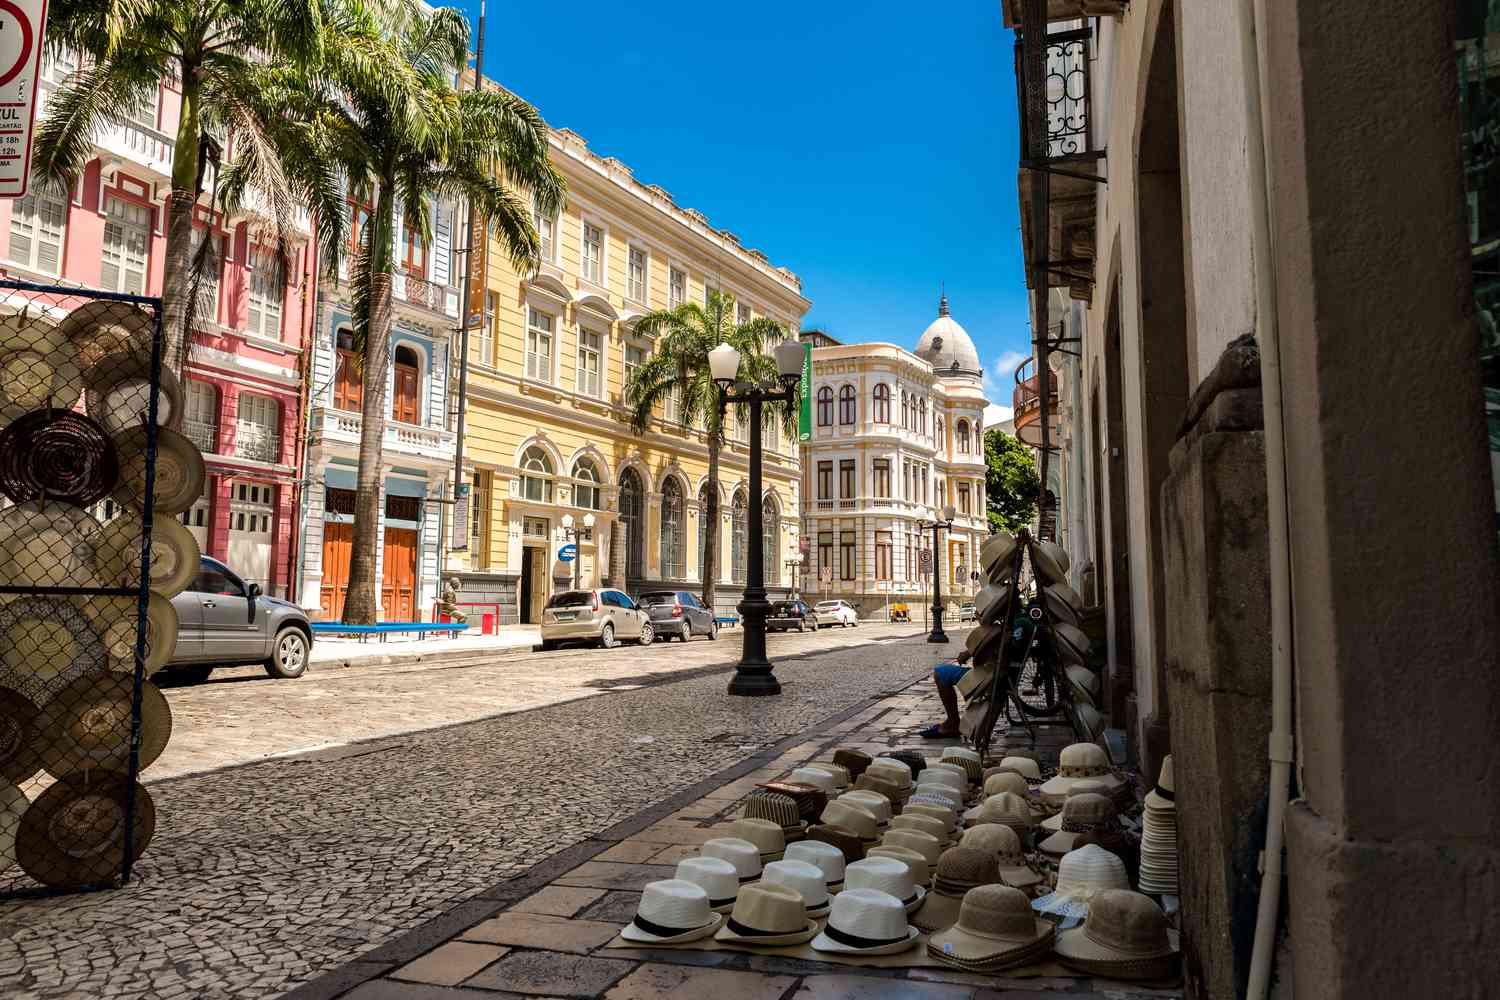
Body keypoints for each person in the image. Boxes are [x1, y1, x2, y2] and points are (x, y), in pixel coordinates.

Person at [920, 648, 971, 739]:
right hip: (991, 671)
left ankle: (953, 722)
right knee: (944, 671)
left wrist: (969, 652)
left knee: (941, 673)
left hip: (987, 673)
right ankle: (953, 721)